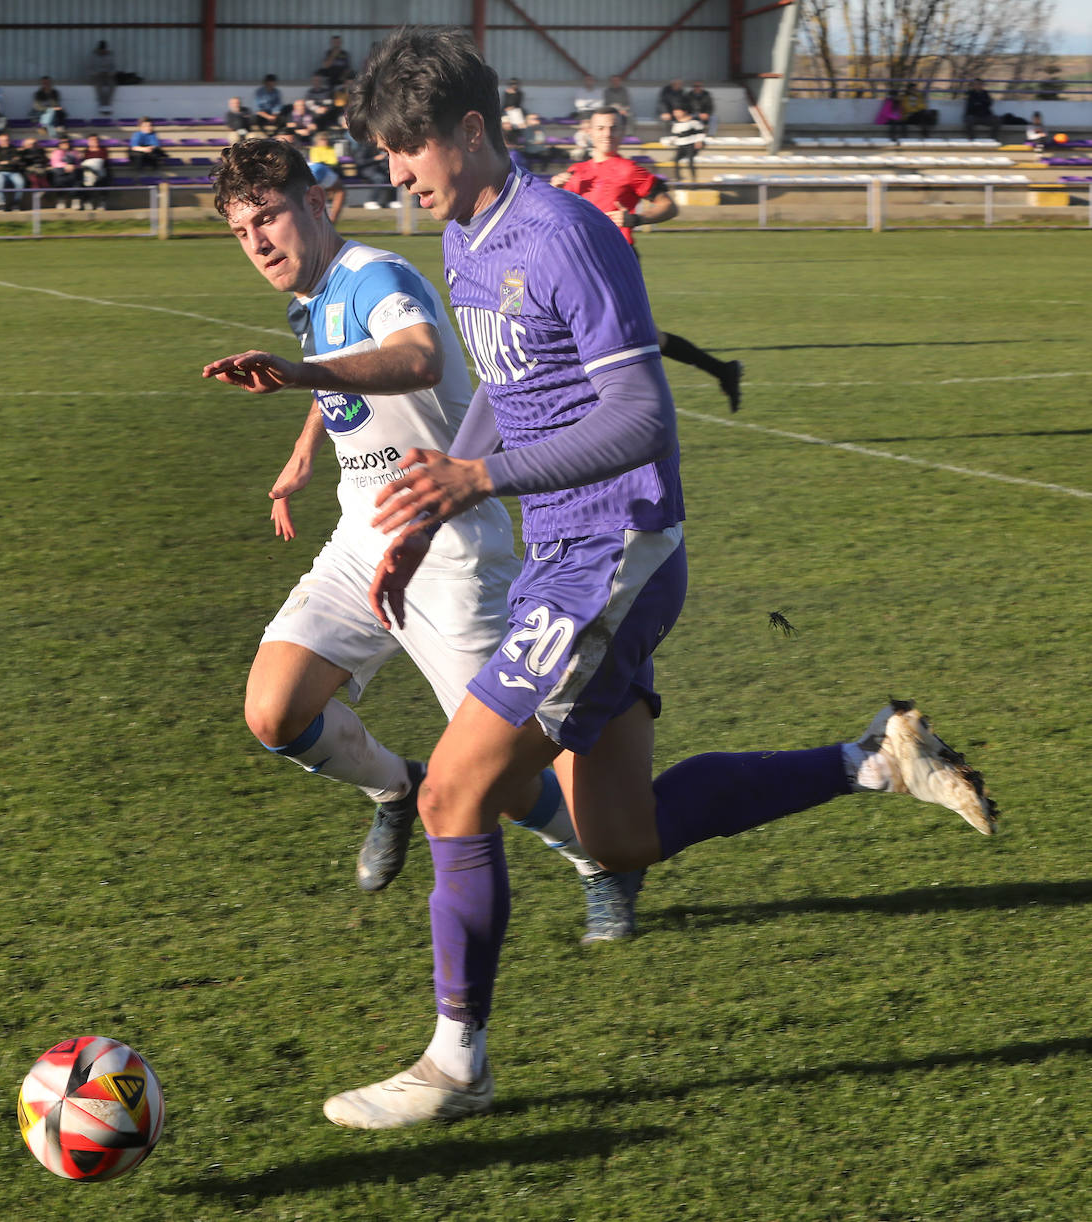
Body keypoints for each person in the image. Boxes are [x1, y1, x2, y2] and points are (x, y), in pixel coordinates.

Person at [325, 24, 996, 1130]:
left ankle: (456, 1064)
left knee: (454, 788)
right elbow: (503, 378)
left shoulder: (565, 235)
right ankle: (872, 757)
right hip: (571, 553)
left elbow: (642, 417)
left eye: (409, 149)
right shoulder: (471, 235)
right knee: (618, 836)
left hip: (612, 553)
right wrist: (435, 505)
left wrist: (479, 476)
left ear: (475, 132)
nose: (394, 173)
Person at [201, 138, 648, 949]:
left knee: (498, 773)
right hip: (357, 539)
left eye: (268, 217)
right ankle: (394, 789)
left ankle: (598, 863)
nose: (258, 242)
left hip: (445, 549)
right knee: (274, 712)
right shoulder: (318, 295)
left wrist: (303, 377)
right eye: (241, 231)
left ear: (317, 202)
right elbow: (344, 369)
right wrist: (304, 448)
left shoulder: (379, 276)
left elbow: (417, 356)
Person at [552, 107, 741, 410]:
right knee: (637, 335)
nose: (607, 134)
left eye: (613, 128)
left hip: (617, 261)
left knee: (614, 334)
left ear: (622, 131)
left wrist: (635, 218)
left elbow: (669, 206)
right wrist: (554, 190)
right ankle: (721, 370)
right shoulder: (575, 173)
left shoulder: (629, 170)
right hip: (580, 263)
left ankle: (601, 405)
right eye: (600, 128)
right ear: (589, 132)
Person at [305, 131, 346, 221]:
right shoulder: (314, 150)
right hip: (320, 172)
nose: (325, 141)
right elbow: (317, 161)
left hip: (326, 172)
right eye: (322, 140)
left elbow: (333, 161)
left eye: (326, 139)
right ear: (317, 141)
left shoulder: (331, 150)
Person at [668, 105, 706, 182]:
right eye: (675, 113)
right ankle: (678, 178)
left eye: (678, 112)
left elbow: (700, 131)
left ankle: (693, 179)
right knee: (675, 160)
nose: (676, 114)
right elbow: (675, 134)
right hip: (681, 144)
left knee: (690, 162)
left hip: (690, 144)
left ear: (684, 112)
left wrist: (699, 141)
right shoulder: (676, 123)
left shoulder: (693, 121)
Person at [0, 131, 26, 210]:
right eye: (3, 140)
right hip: (0, 172)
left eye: (7, 140)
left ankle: (16, 203)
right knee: (0, 181)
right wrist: (11, 162)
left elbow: (18, 162)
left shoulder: (14, 150)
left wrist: (6, 163)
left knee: (20, 183)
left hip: (14, 172)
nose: (5, 142)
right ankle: (1, 203)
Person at [48, 136, 82, 209]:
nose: (65, 144)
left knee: (77, 175)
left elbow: (79, 164)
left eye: (67, 142)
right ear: (59, 144)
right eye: (63, 142)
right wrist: (66, 166)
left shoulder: (75, 152)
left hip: (73, 171)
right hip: (61, 172)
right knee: (57, 177)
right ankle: (61, 199)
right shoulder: (56, 152)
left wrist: (73, 167)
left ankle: (75, 199)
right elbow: (54, 163)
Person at [79, 134, 111, 208]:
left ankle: (102, 202)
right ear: (88, 142)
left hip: (101, 171)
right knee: (86, 177)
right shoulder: (86, 151)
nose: (94, 141)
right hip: (88, 172)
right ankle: (87, 201)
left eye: (96, 140)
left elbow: (104, 162)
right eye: (92, 140)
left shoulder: (103, 150)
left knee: (102, 179)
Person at [89, 40, 117, 115]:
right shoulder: (93, 55)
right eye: (101, 50)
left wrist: (110, 73)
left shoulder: (110, 55)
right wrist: (96, 73)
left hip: (108, 75)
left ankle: (107, 105)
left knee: (112, 86)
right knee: (99, 87)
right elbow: (90, 68)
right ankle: (102, 106)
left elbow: (113, 67)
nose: (102, 52)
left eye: (104, 50)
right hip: (97, 75)